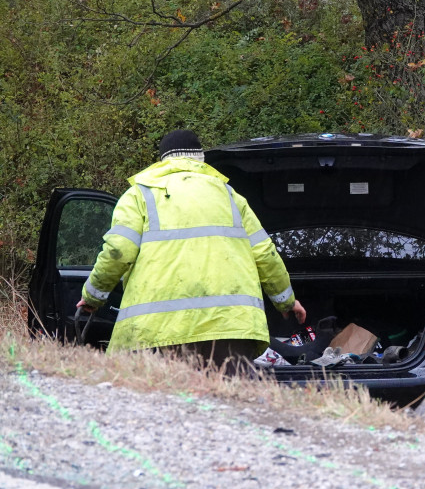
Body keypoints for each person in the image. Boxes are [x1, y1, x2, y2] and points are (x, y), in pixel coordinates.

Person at [76, 129, 307, 372]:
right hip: (230, 329)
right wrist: (286, 302)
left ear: (162, 160)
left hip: (158, 331)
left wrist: (93, 297)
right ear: (200, 159)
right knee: (230, 405)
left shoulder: (140, 195)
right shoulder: (230, 197)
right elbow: (264, 253)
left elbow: (118, 251)